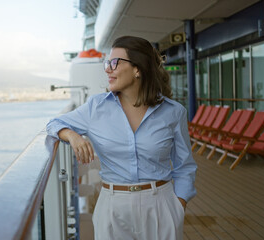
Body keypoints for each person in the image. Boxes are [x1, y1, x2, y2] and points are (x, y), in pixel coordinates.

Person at [46, 36, 197, 240]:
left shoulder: (173, 112)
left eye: (115, 63)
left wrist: (179, 205)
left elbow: (184, 165)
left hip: (161, 205)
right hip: (113, 207)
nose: (108, 69)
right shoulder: (96, 107)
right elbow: (53, 124)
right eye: (107, 63)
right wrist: (72, 135)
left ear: (138, 69)